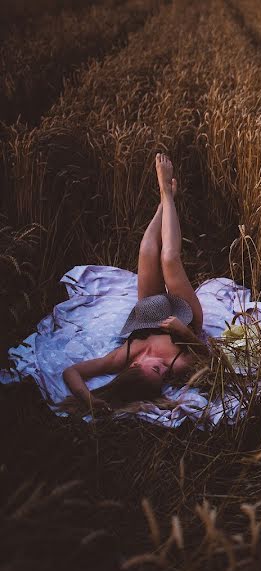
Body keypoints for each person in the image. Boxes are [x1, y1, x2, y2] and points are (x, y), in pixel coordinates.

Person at [62, 153, 208, 416]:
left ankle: (165, 202)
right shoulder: (175, 365)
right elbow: (209, 360)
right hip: (185, 317)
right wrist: (184, 334)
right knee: (169, 258)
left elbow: (71, 372)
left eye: (156, 370)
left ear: (134, 367)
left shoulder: (123, 357)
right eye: (162, 377)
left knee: (146, 251)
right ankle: (166, 191)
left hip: (149, 313)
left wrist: (89, 400)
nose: (163, 370)